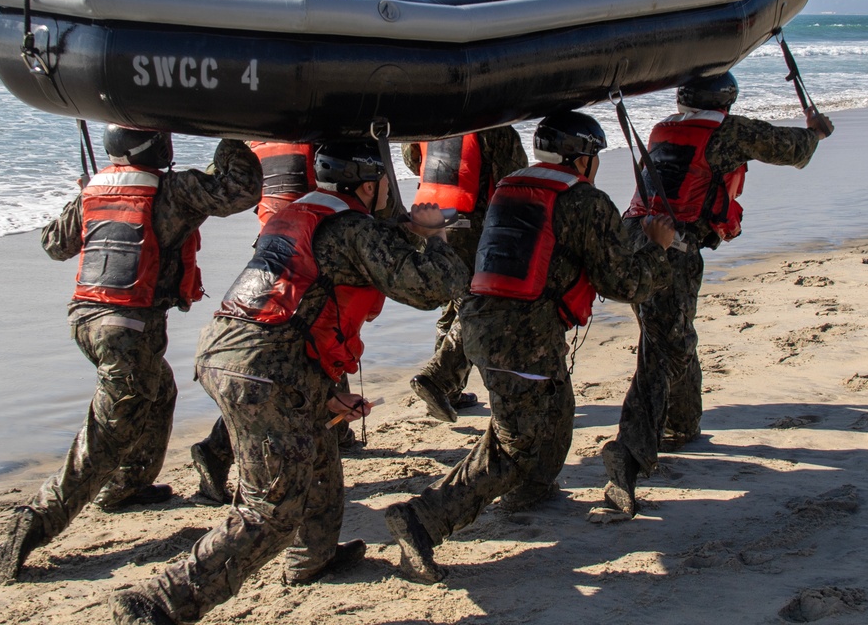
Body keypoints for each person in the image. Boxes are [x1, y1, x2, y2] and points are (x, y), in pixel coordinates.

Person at [109, 141, 468, 624]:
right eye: (386, 182)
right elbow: (431, 289)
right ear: (368, 185)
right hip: (262, 369)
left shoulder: (303, 211)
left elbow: (303, 304)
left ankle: (313, 558)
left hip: (233, 350)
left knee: (319, 446)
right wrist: (435, 235)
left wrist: (323, 391)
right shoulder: (352, 227)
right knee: (271, 513)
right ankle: (159, 603)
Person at [385, 111, 675, 584]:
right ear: (584, 158)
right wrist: (657, 249)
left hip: (480, 323)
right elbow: (623, 282)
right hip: (521, 340)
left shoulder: (511, 184)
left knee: (556, 406)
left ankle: (531, 491)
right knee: (516, 445)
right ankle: (422, 519)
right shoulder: (584, 199)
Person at [0, 127, 262, 584]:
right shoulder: (171, 189)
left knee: (160, 391)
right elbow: (239, 189)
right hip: (127, 329)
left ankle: (128, 486)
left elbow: (55, 243)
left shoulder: (99, 186)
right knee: (107, 434)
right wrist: (230, 135)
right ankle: (31, 524)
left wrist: (86, 195)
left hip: (87, 322)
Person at [602, 72, 834, 517]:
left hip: (633, 239)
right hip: (672, 249)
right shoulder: (729, 131)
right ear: (726, 100)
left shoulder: (664, 127)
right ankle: (628, 455)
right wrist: (814, 130)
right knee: (665, 348)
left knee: (673, 335)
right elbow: (794, 152)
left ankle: (683, 423)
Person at [190, 139, 362, 506]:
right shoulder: (319, 135)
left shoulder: (257, 136)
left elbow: (223, 184)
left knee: (290, 351)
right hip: (312, 246)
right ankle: (219, 450)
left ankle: (336, 434)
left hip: (274, 243)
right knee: (304, 349)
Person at [403, 127, 528, 422]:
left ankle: (450, 390)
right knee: (477, 306)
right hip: (469, 221)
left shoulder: (429, 119)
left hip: (430, 215)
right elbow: (513, 176)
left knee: (455, 302)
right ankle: (439, 379)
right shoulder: (495, 128)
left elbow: (411, 160)